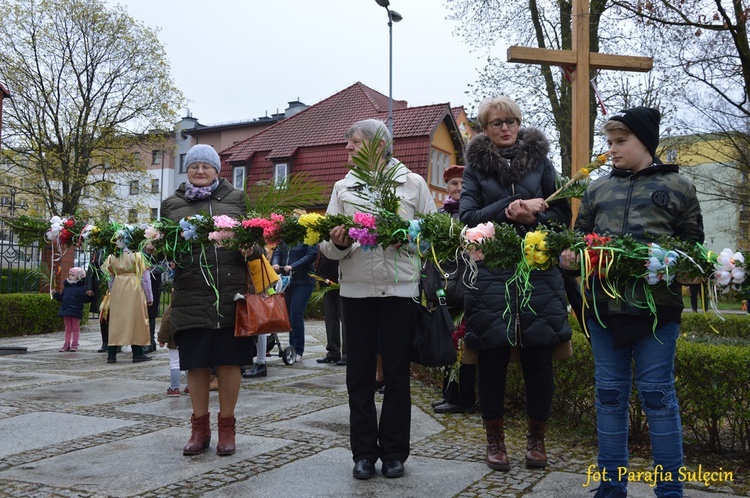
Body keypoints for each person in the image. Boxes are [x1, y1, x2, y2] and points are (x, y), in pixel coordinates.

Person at [560, 107, 703, 498]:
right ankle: (611, 487)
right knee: (608, 396)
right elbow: (578, 243)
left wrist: (683, 266)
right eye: (609, 142)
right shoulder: (596, 189)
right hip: (604, 310)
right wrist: (568, 260)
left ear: (645, 142)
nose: (612, 150)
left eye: (620, 141)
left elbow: (693, 249)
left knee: (657, 396)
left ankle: (670, 489)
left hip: (657, 312)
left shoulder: (680, 187)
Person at [459, 96, 572, 471]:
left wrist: (534, 220)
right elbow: (468, 216)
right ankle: (495, 442)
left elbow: (560, 216)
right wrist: (512, 208)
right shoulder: (475, 167)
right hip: (492, 273)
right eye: (496, 123)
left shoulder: (541, 162)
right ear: (485, 129)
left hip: (538, 271)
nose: (505, 128)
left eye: (511, 121)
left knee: (539, 359)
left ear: (520, 123)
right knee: (491, 358)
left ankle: (537, 441)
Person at [320, 118, 437, 480]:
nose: (348, 149)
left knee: (398, 375)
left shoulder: (413, 183)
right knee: (358, 375)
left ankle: (395, 453)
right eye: (347, 143)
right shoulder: (343, 187)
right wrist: (339, 242)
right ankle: (364, 454)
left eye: (354, 142)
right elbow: (326, 244)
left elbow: (433, 236)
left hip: (400, 290)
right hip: (356, 291)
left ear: (379, 145)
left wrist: (412, 239)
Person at [161, 143, 259, 457]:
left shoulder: (236, 199)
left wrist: (249, 248)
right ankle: (199, 429)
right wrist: (166, 252)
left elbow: (256, 245)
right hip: (191, 292)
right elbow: (167, 247)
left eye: (206, 166)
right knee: (196, 363)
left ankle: (227, 429)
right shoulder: (171, 204)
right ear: (186, 170)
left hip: (231, 294)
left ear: (218, 170)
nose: (200, 171)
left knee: (230, 362)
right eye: (193, 166)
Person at [428, 164, 477, 415]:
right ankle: (449, 393)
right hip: (446, 287)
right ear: (447, 187)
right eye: (454, 184)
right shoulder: (439, 215)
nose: (458, 188)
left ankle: (463, 397)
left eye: (463, 184)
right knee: (449, 342)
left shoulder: (473, 215)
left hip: (467, 286)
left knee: (464, 343)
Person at [102, 247, 153, 363]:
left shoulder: (112, 256)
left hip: (118, 287)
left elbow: (109, 278)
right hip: (133, 287)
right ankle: (138, 352)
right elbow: (145, 278)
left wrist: (112, 291)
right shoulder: (137, 255)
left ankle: (111, 353)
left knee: (116, 320)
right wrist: (149, 296)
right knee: (137, 319)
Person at [271, 241, 318, 363]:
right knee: (289, 316)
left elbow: (311, 255)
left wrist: (293, 266)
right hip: (286, 280)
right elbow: (277, 251)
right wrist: (275, 262)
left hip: (303, 281)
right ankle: (292, 347)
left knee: (296, 314)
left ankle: (298, 350)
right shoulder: (285, 237)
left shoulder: (308, 236)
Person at [315, 253, 347, 365]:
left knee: (345, 318)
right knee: (330, 317)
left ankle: (347, 353)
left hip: (343, 278)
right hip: (327, 277)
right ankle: (333, 352)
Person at [54, 267, 92, 352]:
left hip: (76, 310)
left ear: (78, 277)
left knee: (75, 328)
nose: (70, 277)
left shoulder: (82, 287)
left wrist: (88, 295)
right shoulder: (67, 286)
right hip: (66, 309)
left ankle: (74, 344)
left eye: (73, 275)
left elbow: (85, 299)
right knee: (67, 328)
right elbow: (61, 298)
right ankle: (66, 344)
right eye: (70, 275)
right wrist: (55, 294)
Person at [157, 305, 189, 396]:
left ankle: (174, 388)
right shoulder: (196, 304)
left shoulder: (173, 307)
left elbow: (166, 323)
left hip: (175, 339)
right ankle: (190, 388)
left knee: (175, 363)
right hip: (190, 339)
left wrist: (162, 339)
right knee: (189, 364)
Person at [144, 246, 166, 353]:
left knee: (151, 313)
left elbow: (164, 267)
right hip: (141, 284)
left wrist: (149, 268)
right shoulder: (140, 252)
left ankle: (150, 341)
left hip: (154, 285)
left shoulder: (159, 253)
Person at [85, 249, 107, 352]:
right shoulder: (98, 252)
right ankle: (105, 342)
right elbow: (91, 269)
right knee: (102, 315)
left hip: (116, 286)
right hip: (100, 287)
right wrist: (89, 287)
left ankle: (116, 342)